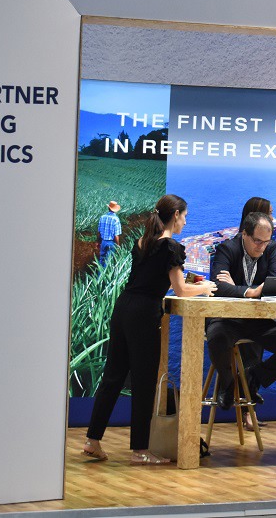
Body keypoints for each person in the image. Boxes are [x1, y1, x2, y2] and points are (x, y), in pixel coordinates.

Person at [84, 194, 213, 464]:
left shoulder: (142, 242)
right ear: (175, 215)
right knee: (144, 383)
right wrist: (204, 287)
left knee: (112, 377)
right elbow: (181, 289)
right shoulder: (171, 247)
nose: (185, 222)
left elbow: (149, 279)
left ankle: (92, 440)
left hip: (123, 308)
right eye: (185, 216)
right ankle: (140, 451)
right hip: (144, 315)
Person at [207, 211, 276, 409]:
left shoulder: (271, 248)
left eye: (265, 242)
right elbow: (218, 287)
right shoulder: (226, 249)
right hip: (227, 318)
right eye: (257, 241)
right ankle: (227, 384)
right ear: (244, 234)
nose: (261, 247)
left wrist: (236, 287)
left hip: (256, 319)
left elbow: (272, 285)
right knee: (216, 337)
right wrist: (251, 292)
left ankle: (251, 378)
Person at [98, 200, 122, 264]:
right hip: (111, 243)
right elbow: (116, 235)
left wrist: (98, 241)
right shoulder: (116, 219)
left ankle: (100, 270)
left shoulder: (102, 217)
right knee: (108, 261)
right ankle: (106, 270)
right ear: (115, 210)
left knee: (102, 258)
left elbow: (99, 232)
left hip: (103, 241)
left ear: (108, 208)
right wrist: (118, 245)